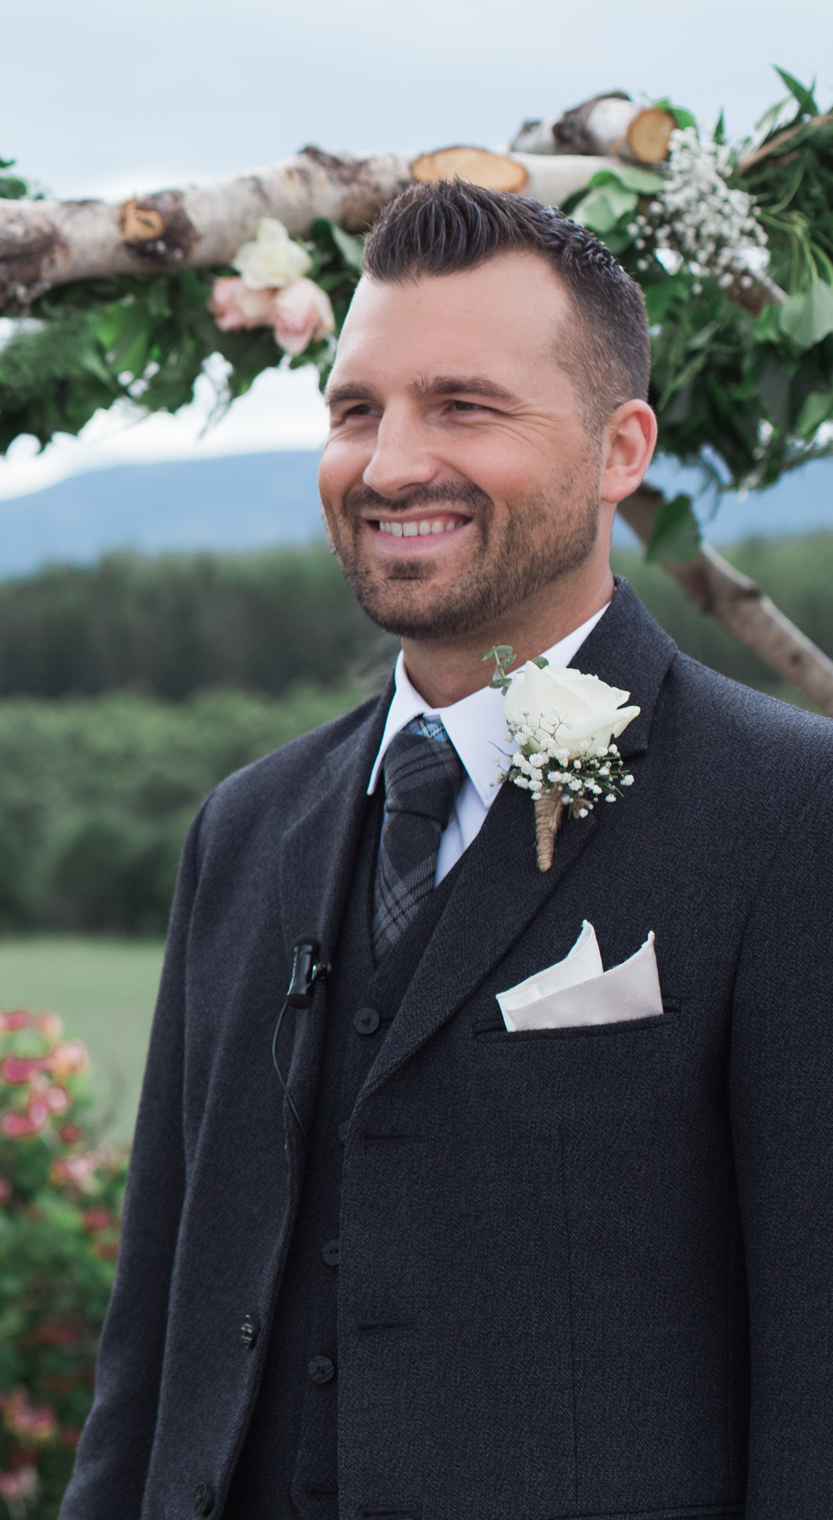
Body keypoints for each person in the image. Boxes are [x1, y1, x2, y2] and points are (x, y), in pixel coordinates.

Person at [61, 182, 833, 1518]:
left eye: (462, 405)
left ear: (620, 447)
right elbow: (155, 1340)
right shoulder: (246, 829)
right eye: (356, 410)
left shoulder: (790, 812)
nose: (391, 460)